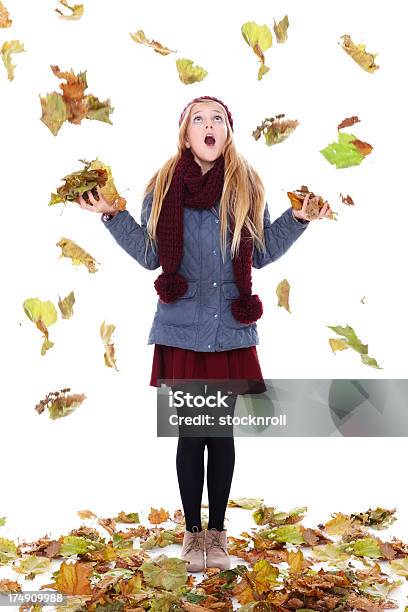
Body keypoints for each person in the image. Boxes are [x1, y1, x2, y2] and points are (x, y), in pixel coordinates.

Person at [77, 95, 330, 573]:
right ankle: (193, 534)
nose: (209, 125)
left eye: (218, 119)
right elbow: (152, 254)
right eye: (200, 119)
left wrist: (297, 220)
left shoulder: (247, 185)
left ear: (227, 132)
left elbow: (260, 252)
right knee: (193, 435)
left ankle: (218, 533)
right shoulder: (165, 184)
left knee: (222, 434)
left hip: (231, 331)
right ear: (186, 133)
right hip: (183, 331)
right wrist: (112, 215)